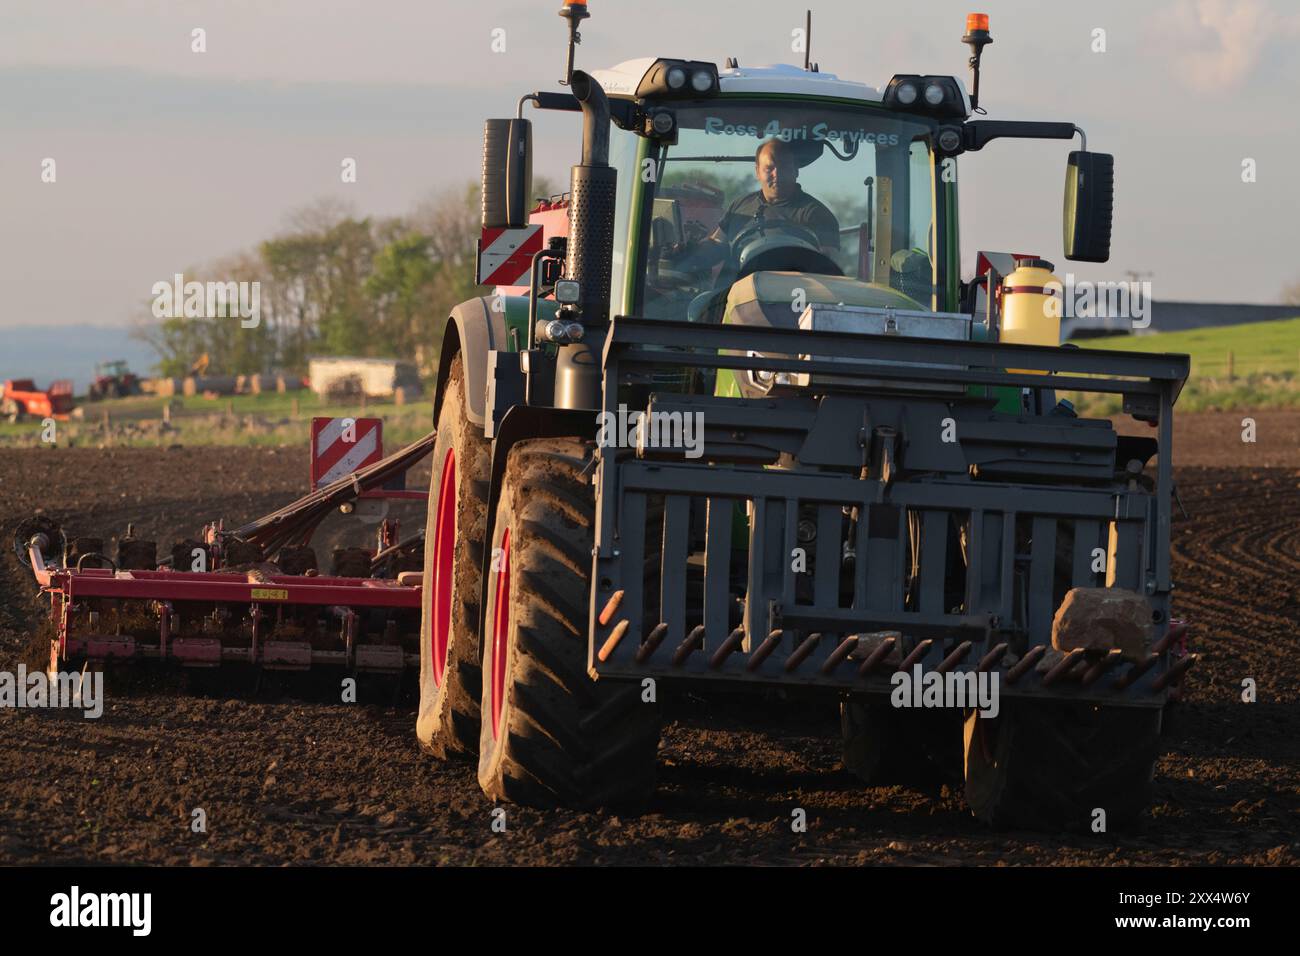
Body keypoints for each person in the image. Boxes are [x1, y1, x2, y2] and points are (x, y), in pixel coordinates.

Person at [674, 138, 841, 270]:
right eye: (770, 168)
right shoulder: (740, 205)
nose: (777, 174)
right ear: (757, 172)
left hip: (787, 301)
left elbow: (826, 267)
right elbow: (717, 243)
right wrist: (685, 253)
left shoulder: (816, 215)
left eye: (784, 167)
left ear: (796, 171)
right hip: (731, 296)